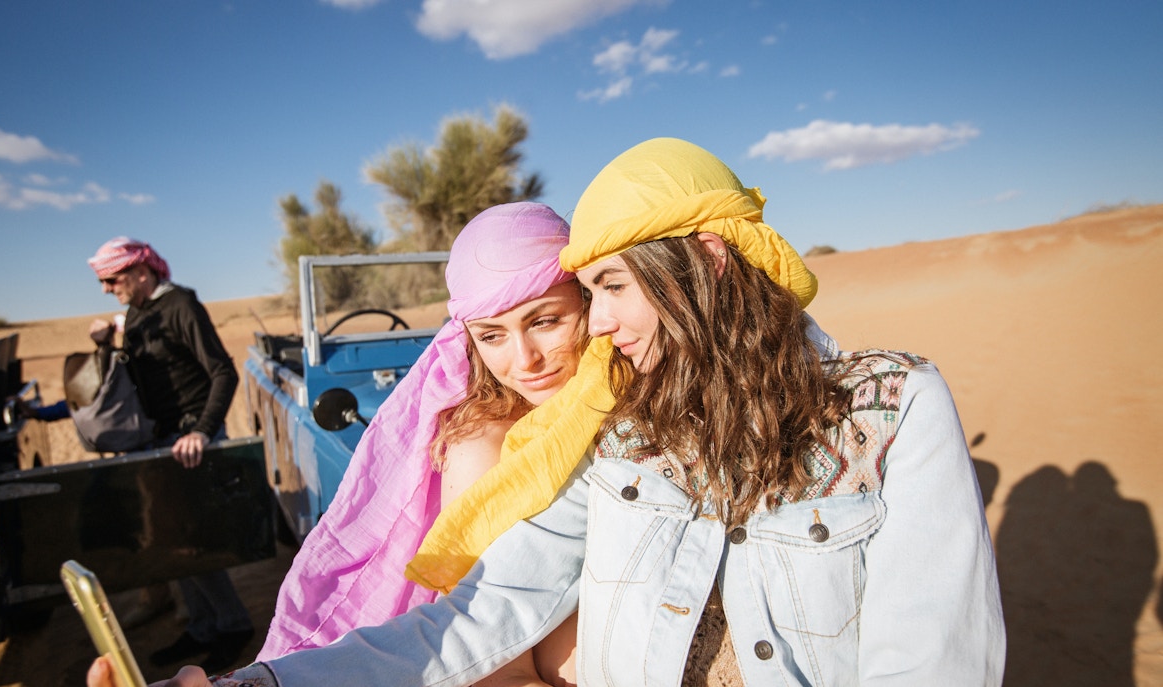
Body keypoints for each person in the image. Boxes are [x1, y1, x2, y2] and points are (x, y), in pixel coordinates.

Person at [94, 138, 1004, 686]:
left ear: (713, 265)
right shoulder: (631, 435)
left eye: (607, 287)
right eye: (590, 290)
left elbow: (935, 663)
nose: (597, 323)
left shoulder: (888, 412)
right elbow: (474, 616)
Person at [258, 201, 612, 685]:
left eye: (545, 321)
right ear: (469, 340)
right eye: (492, 336)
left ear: (588, 303)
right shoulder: (484, 448)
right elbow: (496, 664)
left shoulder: (622, 398)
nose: (524, 359)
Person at [87, 237, 255, 674]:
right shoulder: (136, 314)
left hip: (191, 441)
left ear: (142, 272)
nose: (106, 288)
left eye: (112, 279)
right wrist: (105, 344)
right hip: (160, 442)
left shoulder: (181, 305)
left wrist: (202, 430)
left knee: (193, 542)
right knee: (173, 541)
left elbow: (223, 371)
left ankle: (232, 625)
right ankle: (201, 627)